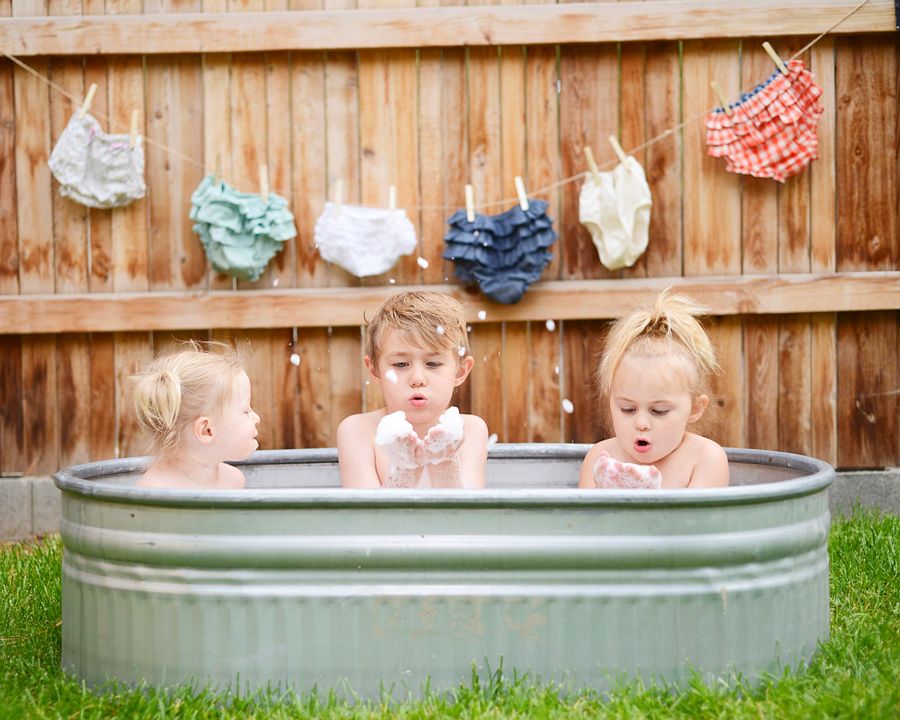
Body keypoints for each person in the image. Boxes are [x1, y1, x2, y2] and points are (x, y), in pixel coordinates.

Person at [579, 289, 729, 489]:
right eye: (627, 408)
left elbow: (698, 520)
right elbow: (581, 519)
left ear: (695, 408)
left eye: (659, 411)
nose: (641, 423)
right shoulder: (600, 458)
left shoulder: (704, 459)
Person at [338, 291, 489, 488]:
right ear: (375, 369)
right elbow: (368, 517)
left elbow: (469, 515)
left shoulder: (470, 429)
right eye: (401, 364)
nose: (417, 379)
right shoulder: (359, 430)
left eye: (433, 363)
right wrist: (405, 468)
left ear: (460, 371)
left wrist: (443, 463)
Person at [132, 341, 260, 489]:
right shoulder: (153, 491)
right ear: (206, 430)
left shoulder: (234, 480)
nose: (257, 418)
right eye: (246, 411)